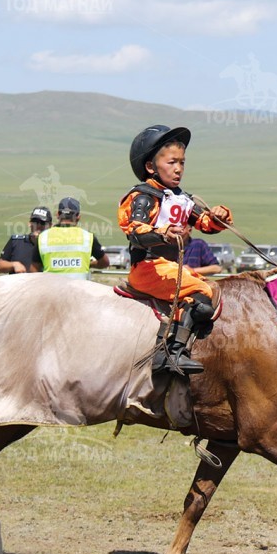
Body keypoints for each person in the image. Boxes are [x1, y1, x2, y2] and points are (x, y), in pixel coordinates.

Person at [119, 125, 233, 375]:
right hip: (148, 268)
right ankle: (168, 353)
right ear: (151, 166)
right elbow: (134, 231)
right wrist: (162, 233)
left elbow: (204, 223)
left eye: (182, 162)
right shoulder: (143, 197)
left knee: (212, 291)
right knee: (201, 292)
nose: (179, 168)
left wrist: (219, 216)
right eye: (171, 162)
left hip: (170, 268)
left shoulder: (181, 199)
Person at [36, 197, 109, 278]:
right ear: (78, 216)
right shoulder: (88, 237)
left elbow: (34, 268)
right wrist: (89, 264)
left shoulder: (42, 237)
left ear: (58, 215)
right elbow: (105, 262)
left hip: (51, 286)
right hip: (79, 286)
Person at [0, 206, 51, 274]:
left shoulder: (53, 245)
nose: (38, 226)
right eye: (35, 222)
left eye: (43, 223)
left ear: (50, 225)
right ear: (29, 223)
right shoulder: (16, 241)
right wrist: (14, 265)